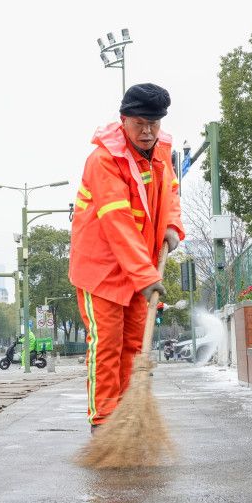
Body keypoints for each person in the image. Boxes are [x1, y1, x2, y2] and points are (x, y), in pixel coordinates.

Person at [69, 83, 184, 431]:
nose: (148, 131)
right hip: (101, 271)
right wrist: (147, 278)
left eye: (154, 123)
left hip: (139, 267)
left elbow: (171, 192)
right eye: (140, 123)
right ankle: (104, 422)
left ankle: (127, 418)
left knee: (134, 347)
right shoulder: (104, 160)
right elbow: (118, 223)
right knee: (107, 348)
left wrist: (173, 226)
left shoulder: (162, 151)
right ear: (123, 121)